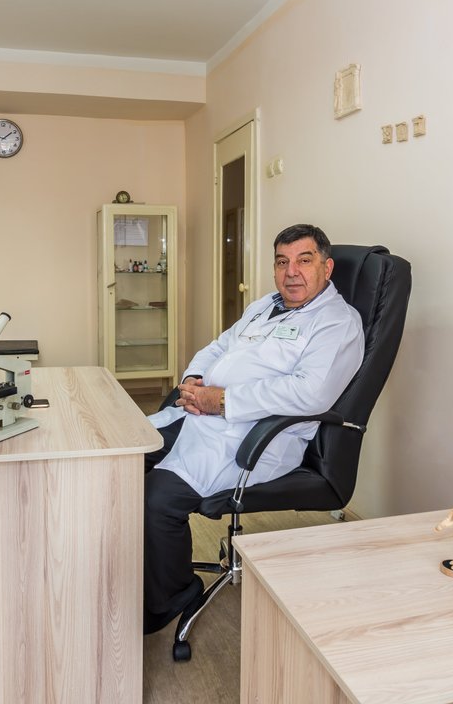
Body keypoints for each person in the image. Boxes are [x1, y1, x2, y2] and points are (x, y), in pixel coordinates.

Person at [143, 224, 364, 634]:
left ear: (327, 267)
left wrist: (223, 400)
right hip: (200, 416)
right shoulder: (265, 305)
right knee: (126, 458)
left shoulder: (337, 323)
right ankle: (138, 566)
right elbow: (219, 346)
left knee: (156, 497)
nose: (291, 272)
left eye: (304, 260)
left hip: (253, 439)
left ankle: (172, 595)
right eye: (282, 262)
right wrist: (193, 378)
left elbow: (310, 394)